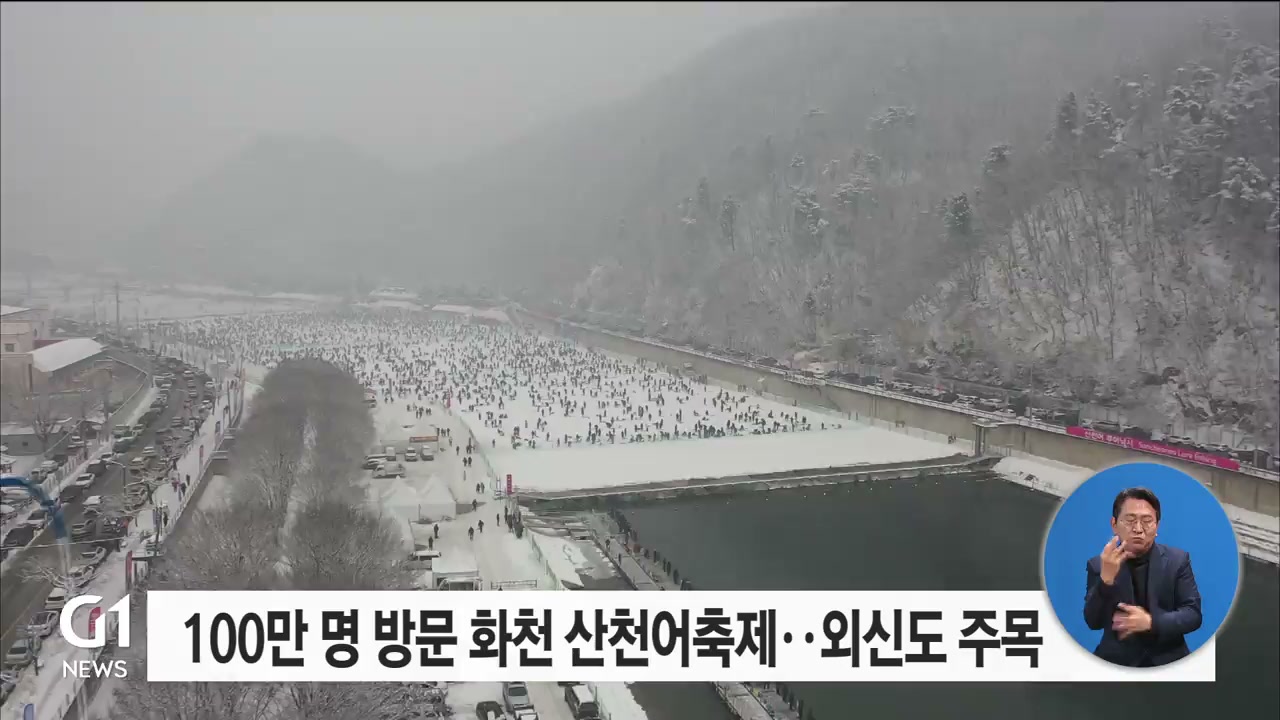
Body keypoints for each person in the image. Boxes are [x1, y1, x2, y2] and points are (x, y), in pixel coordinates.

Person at [1084, 487, 1202, 667]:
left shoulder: (1177, 560)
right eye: (1130, 520)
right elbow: (1093, 622)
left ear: (1157, 526)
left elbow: (1193, 615)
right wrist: (1106, 580)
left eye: (1147, 521)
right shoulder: (1098, 565)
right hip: (1117, 662)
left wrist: (1151, 622)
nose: (1138, 529)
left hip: (1169, 659)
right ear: (1114, 524)